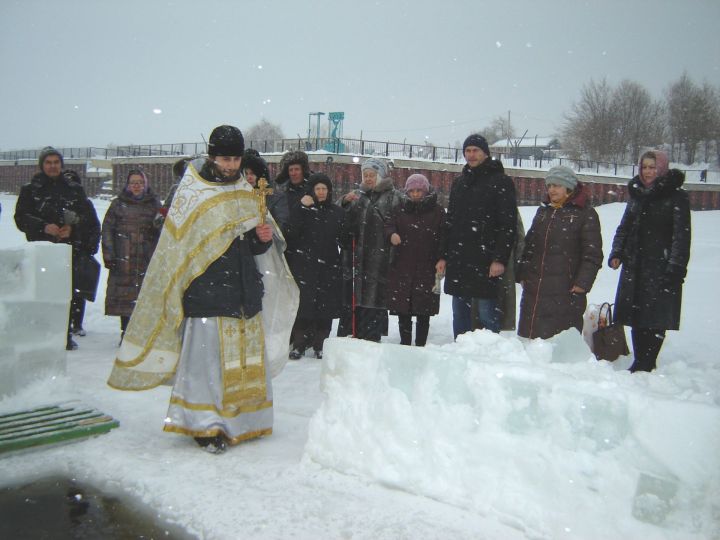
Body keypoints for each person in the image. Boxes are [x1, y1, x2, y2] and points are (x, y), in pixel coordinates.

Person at [107, 125, 299, 454]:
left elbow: (246, 244)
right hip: (208, 294)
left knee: (243, 363)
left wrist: (259, 238)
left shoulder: (244, 190)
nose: (231, 165)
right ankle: (204, 424)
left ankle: (244, 421)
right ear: (212, 156)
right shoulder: (193, 192)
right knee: (206, 365)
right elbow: (179, 248)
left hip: (242, 292)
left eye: (236, 158)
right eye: (225, 158)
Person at [608, 150, 691, 372]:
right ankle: (639, 360)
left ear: (662, 169)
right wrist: (617, 252)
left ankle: (648, 361)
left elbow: (681, 236)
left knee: (655, 316)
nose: (647, 172)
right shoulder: (638, 194)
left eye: (652, 167)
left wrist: (675, 267)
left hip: (660, 267)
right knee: (635, 314)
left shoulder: (676, 196)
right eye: (644, 167)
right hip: (635, 265)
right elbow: (624, 226)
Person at [14, 146, 100, 351]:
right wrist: (44, 227)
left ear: (61, 165)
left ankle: (64, 334)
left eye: (56, 162)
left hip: (68, 250)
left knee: (66, 293)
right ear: (42, 165)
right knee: (42, 292)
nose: (52, 166)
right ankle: (42, 334)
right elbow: (21, 218)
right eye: (48, 162)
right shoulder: (30, 190)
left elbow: (87, 217)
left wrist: (72, 227)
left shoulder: (74, 189)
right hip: (41, 250)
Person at [442, 134, 517, 338]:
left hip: (485, 258)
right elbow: (451, 222)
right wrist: (443, 255)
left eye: (476, 150)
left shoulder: (500, 182)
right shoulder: (459, 183)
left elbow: (507, 225)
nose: (471, 155)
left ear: (485, 153)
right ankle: (460, 352)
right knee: (460, 314)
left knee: (486, 314)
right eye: (468, 151)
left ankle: (488, 358)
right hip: (460, 258)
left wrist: (499, 259)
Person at [516, 166, 603, 339]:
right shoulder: (544, 212)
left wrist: (582, 284)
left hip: (565, 288)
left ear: (569, 187)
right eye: (549, 185)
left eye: (557, 185)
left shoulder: (585, 214)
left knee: (558, 340)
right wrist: (523, 273)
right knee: (531, 338)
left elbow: (592, 255)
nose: (551, 190)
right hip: (535, 287)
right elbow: (529, 246)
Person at [339, 158, 403, 341]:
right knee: (358, 297)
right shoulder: (358, 195)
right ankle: (357, 331)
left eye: (371, 175)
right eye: (365, 175)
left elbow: (402, 221)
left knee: (377, 296)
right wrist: (344, 201)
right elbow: (339, 216)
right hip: (358, 255)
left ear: (380, 175)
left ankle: (373, 334)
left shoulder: (394, 196)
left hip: (381, 255)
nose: (368, 178)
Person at [288, 173, 346, 359]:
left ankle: (320, 344)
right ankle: (299, 344)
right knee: (303, 306)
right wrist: (300, 208)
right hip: (304, 265)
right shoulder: (303, 209)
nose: (321, 192)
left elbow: (343, 237)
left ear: (329, 191)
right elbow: (290, 231)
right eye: (317, 189)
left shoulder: (336, 212)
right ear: (312, 191)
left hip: (328, 266)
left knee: (325, 307)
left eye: (324, 189)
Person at [101, 168, 162, 342]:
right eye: (133, 182)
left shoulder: (154, 204)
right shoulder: (118, 205)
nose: (137, 186)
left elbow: (162, 229)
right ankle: (126, 331)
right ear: (128, 185)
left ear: (145, 184)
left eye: (140, 182)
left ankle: (143, 332)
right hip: (124, 256)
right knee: (125, 295)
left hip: (146, 256)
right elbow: (107, 229)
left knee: (144, 295)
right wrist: (109, 253)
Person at [385, 174, 446, 346]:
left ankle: (420, 344)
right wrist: (392, 234)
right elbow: (388, 225)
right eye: (412, 191)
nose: (416, 194)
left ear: (425, 191)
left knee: (423, 311)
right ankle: (405, 344)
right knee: (403, 310)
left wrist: (442, 257)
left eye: (419, 190)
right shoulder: (399, 209)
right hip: (402, 266)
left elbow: (444, 236)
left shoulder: (438, 211)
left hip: (427, 267)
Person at [242, 150, 290, 232]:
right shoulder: (242, 194)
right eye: (246, 174)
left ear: (260, 174)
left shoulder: (275, 196)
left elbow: (281, 224)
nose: (249, 177)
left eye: (252, 173)